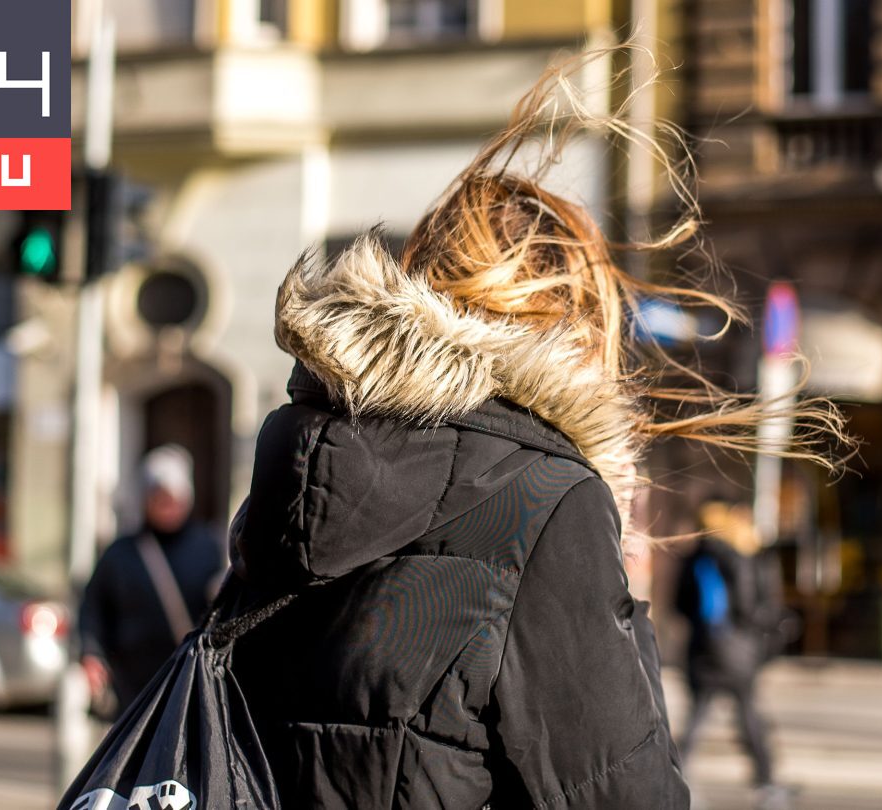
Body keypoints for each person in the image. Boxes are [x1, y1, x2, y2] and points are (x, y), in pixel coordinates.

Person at [217, 59, 845, 808]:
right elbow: (623, 792)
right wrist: (611, 553)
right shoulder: (545, 502)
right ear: (576, 326)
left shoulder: (301, 463)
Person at [79, 444, 224, 714]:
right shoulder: (120, 554)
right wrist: (91, 653)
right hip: (132, 690)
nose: (167, 506)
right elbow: (93, 608)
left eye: (174, 498)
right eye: (159, 497)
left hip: (188, 684)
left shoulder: (210, 548)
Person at [674, 500, 789, 807]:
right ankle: (766, 782)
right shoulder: (738, 557)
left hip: (702, 649)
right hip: (737, 650)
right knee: (749, 715)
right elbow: (749, 606)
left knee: (697, 716)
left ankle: (675, 774)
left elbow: (679, 604)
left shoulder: (694, 557)